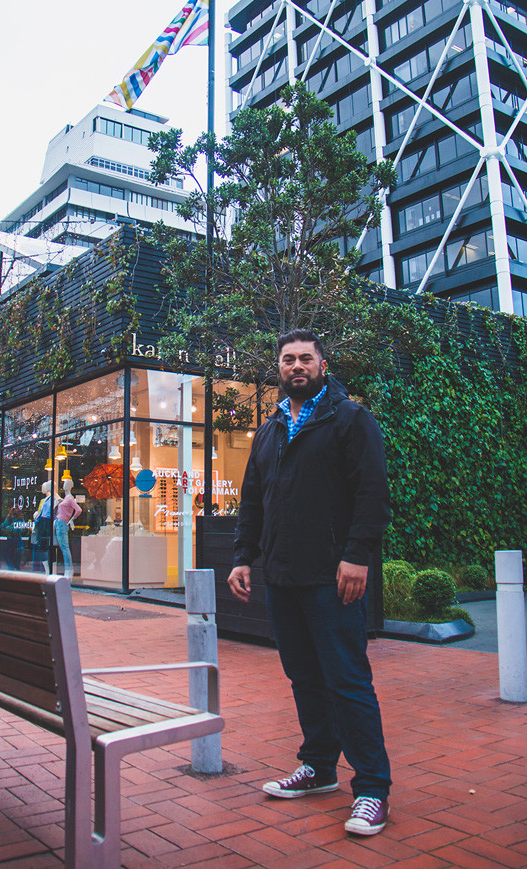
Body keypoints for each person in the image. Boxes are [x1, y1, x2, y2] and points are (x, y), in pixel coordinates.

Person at [228, 329, 392, 837]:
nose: (296, 366)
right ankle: (320, 767)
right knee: (304, 677)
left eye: (305, 358)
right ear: (278, 367)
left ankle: (372, 789)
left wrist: (357, 556)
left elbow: (372, 492)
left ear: (323, 364)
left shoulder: (349, 417)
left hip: (332, 576)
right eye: (287, 359)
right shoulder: (271, 427)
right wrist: (241, 558)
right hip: (282, 575)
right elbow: (253, 500)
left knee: (347, 680)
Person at [53, 477, 82, 580]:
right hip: (58, 522)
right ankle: (68, 569)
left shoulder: (70, 498)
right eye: (64, 483)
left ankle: (69, 570)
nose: (64, 485)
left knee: (64, 547)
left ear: (70, 486)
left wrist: (71, 520)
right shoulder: (66, 498)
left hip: (62, 523)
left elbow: (78, 510)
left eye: (67, 483)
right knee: (62, 547)